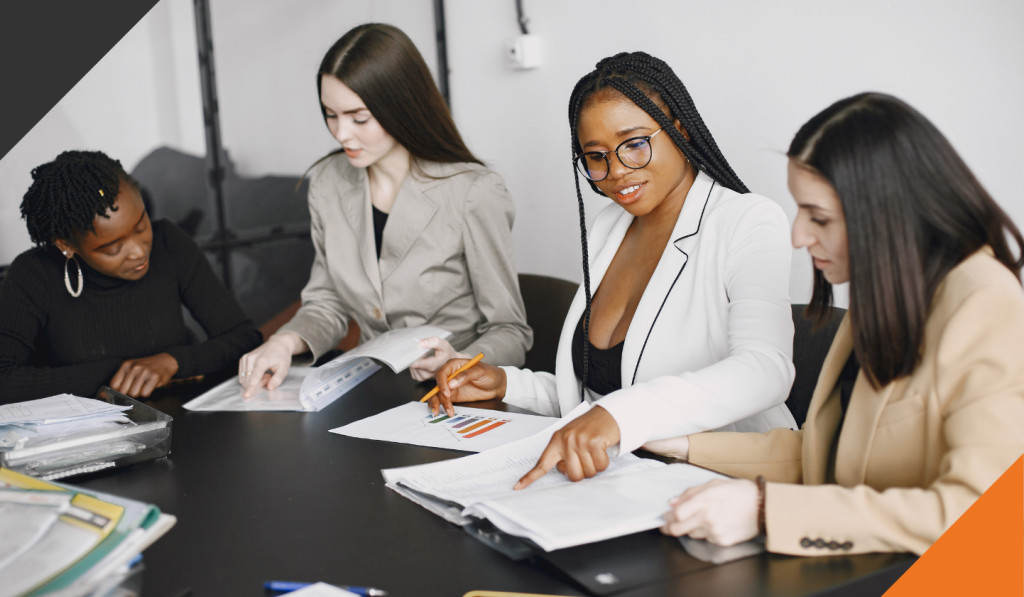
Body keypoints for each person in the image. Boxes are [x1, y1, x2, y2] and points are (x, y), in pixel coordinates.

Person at [653, 93, 1024, 556]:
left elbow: (981, 512)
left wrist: (768, 509)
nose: (798, 236)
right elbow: (825, 454)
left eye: (820, 217)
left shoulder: (985, 303)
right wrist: (679, 444)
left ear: (887, 214)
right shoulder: (890, 291)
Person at [433, 52, 798, 487]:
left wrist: (621, 416)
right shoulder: (611, 225)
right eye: (596, 156)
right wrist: (506, 385)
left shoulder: (745, 219)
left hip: (725, 482)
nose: (616, 171)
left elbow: (766, 370)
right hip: (623, 481)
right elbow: (603, 391)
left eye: (635, 144)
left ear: (679, 129)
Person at [239, 23, 531, 397]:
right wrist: (284, 342)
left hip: (456, 395)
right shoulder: (328, 182)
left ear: (401, 107)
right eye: (331, 114)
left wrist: (461, 359)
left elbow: (511, 331)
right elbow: (327, 301)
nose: (342, 133)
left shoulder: (472, 191)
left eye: (359, 118)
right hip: (373, 388)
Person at [0, 150, 263, 402]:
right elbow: (4, 379)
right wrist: (117, 372)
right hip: (83, 439)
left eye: (141, 225)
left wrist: (173, 362)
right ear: (66, 245)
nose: (138, 252)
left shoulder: (168, 243)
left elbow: (243, 337)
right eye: (113, 248)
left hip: (184, 422)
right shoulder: (34, 275)